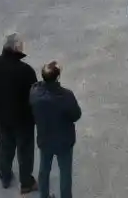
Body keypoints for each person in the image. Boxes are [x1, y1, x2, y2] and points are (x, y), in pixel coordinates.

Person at [0, 32, 38, 194]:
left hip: (3, 115)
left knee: (5, 146)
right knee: (25, 151)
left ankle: (4, 175)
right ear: (16, 48)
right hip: (23, 119)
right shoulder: (26, 71)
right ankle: (26, 182)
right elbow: (34, 96)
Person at [30, 61, 81, 198]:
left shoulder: (35, 93)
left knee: (44, 170)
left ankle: (44, 195)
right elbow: (76, 115)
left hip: (45, 139)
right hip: (64, 141)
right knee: (65, 173)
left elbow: (36, 86)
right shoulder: (66, 96)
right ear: (58, 78)